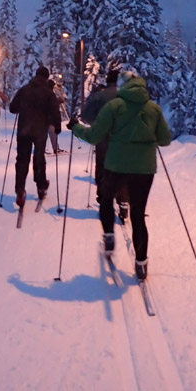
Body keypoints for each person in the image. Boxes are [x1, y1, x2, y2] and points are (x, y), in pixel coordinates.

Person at [68, 71, 171, 281]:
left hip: (117, 165)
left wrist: (75, 127)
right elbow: (165, 140)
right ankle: (141, 262)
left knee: (106, 199)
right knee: (138, 214)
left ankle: (108, 235)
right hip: (144, 169)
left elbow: (94, 136)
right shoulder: (153, 108)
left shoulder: (114, 107)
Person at [9, 65, 62, 207]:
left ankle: (20, 189)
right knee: (39, 158)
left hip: (24, 130)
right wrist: (57, 126)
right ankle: (41, 186)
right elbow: (55, 110)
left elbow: (12, 108)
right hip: (40, 131)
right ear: (46, 77)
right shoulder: (48, 93)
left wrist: (23, 107)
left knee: (22, 159)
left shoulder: (24, 89)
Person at [81, 68, 128, 217]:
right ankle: (124, 200)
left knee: (102, 169)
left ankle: (104, 200)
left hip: (103, 139)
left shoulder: (98, 97)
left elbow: (86, 117)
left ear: (107, 81)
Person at [46, 78, 67, 154]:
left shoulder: (45, 93)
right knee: (52, 133)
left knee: (45, 133)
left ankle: (43, 149)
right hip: (49, 118)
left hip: (42, 118)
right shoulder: (50, 94)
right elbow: (52, 105)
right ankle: (55, 148)